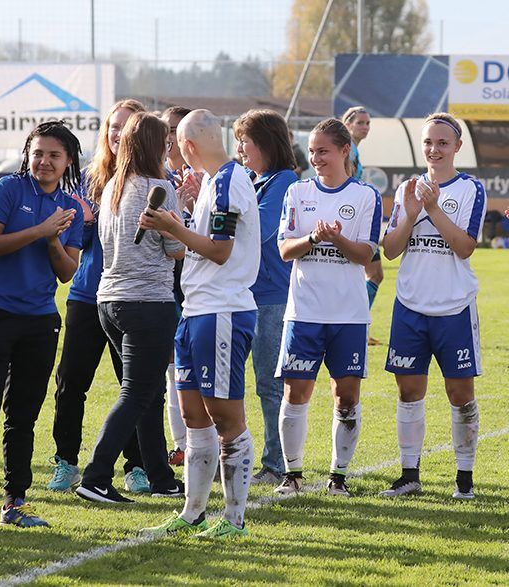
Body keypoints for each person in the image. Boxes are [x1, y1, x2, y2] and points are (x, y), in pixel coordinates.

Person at [138, 109, 260, 539]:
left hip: (222, 311)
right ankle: (193, 513)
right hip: (196, 310)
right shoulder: (211, 182)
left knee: (226, 418)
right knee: (193, 417)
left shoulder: (228, 181)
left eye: (178, 146)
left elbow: (221, 251)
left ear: (187, 146)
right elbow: (211, 239)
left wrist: (173, 225)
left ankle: (235, 520)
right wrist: (189, 212)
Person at [0, 121, 84, 533]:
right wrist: (40, 231)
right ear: (27, 154)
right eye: (38, 153)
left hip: (40, 320)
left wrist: (51, 241)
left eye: (54, 155)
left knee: (24, 416)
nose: (44, 161)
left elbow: (67, 272)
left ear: (67, 162)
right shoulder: (9, 190)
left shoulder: (70, 208)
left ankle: (15, 502)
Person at [75, 111, 185, 504]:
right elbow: (175, 250)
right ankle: (96, 475)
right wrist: (183, 220)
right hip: (147, 301)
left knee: (149, 391)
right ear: (160, 146)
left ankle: (160, 476)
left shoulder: (112, 187)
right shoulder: (160, 186)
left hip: (109, 299)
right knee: (137, 392)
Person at [380, 113, 485, 500]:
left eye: (442, 143)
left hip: (454, 307)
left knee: (460, 394)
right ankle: (410, 475)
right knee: (409, 392)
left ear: (457, 147)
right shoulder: (408, 188)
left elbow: (465, 247)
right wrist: (410, 213)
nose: (434, 149)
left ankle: (465, 479)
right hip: (410, 306)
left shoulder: (470, 189)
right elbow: (390, 250)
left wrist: (435, 209)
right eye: (428, 142)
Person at [274, 118, 381, 498]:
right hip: (303, 312)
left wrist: (336, 238)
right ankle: (293, 475)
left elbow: (366, 255)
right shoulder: (298, 192)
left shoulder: (366, 196)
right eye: (313, 150)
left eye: (323, 150)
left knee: (346, 396)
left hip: (349, 316)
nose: (316, 158)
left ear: (344, 151)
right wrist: (312, 237)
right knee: (295, 391)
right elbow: (285, 250)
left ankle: (338, 477)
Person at [47, 100, 150, 493]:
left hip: (133, 296)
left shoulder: (154, 180)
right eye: (112, 127)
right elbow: (79, 240)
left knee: (134, 384)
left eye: (126, 127)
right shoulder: (89, 180)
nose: (118, 134)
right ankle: (66, 462)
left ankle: (135, 466)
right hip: (88, 295)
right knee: (71, 381)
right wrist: (83, 225)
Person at [233, 110, 298, 486]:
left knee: (270, 383)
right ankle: (252, 457)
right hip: (243, 294)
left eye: (246, 140)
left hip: (271, 296)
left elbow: (257, 230)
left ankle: (275, 464)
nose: (240, 148)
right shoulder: (254, 179)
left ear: (266, 143)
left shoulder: (284, 180)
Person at [160, 105, 196, 467]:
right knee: (174, 369)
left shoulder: (210, 178)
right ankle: (180, 443)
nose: (171, 138)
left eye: (177, 130)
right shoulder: (158, 178)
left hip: (201, 284)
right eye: (166, 130)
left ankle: (208, 440)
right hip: (167, 283)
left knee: (204, 369)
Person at [343, 106, 383, 337]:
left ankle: (359, 323)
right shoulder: (348, 150)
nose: (365, 127)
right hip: (353, 220)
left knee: (374, 273)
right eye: (360, 122)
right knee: (370, 274)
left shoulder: (353, 149)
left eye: (368, 123)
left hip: (356, 217)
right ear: (347, 124)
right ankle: (356, 323)